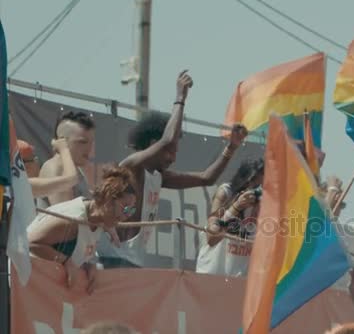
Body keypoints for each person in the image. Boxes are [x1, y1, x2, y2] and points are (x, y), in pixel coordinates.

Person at [96, 70, 248, 269]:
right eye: (170, 151)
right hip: (112, 259)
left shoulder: (159, 176)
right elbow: (168, 138)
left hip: (133, 261)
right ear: (153, 144)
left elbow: (206, 178)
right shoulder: (132, 166)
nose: (173, 158)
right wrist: (180, 98)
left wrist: (232, 147)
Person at [27, 166, 136, 294]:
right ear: (108, 200)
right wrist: (67, 262)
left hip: (47, 288)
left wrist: (89, 265)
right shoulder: (73, 220)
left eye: (132, 210)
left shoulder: (99, 220)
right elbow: (30, 242)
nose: (128, 215)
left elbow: (83, 248)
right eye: (126, 209)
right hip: (27, 283)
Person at [196, 158, 263, 276]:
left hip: (239, 280)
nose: (257, 192)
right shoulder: (226, 193)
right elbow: (212, 238)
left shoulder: (265, 202)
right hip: (211, 275)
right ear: (245, 182)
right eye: (256, 186)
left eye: (262, 187)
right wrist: (236, 207)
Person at [38, 111, 95, 207]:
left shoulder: (73, 169)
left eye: (91, 142)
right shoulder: (57, 168)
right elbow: (64, 217)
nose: (89, 148)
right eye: (82, 142)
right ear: (62, 140)